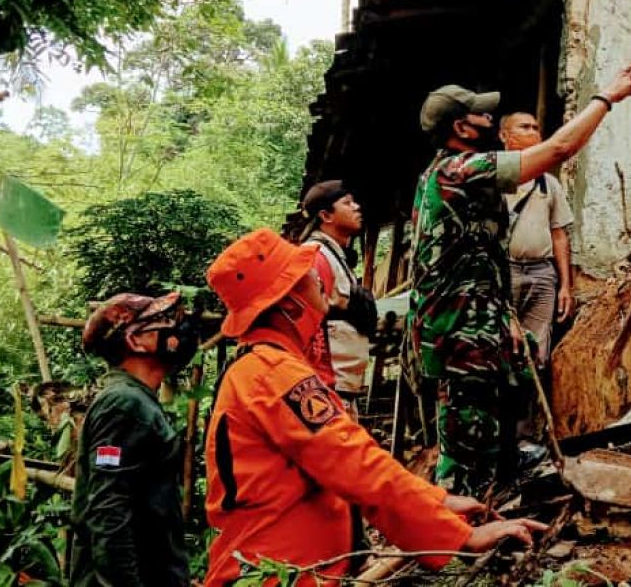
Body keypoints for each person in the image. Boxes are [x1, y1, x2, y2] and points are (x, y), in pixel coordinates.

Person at [203, 229, 544, 586]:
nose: (319, 277)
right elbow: (355, 466)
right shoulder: (274, 374)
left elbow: (354, 458)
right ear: (288, 302)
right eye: (305, 273)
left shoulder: (268, 367)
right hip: (276, 575)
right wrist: (461, 537)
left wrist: (437, 500)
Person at [409, 62, 631, 499]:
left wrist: (505, 317)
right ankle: (460, 532)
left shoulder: (442, 176)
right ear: (460, 127)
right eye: (480, 115)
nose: (489, 120)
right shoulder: (459, 171)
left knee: (485, 426)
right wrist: (607, 97)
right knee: (466, 440)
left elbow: (480, 256)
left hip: (474, 323)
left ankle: (486, 505)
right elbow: (558, 150)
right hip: (459, 333)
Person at [69, 291, 200, 587]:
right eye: (162, 320)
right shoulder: (123, 405)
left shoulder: (136, 400)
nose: (174, 328)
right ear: (135, 340)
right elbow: (108, 513)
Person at [498, 112, 575, 368]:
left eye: (536, 127)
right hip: (503, 271)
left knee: (538, 349)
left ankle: (531, 402)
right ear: (504, 136)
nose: (533, 132)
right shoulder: (493, 181)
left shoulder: (548, 184)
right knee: (500, 343)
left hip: (542, 272)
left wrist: (565, 285)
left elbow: (559, 235)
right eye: (524, 127)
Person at [299, 179, 378, 413]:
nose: (356, 207)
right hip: (325, 391)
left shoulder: (336, 256)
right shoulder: (316, 256)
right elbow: (307, 324)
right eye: (347, 203)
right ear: (326, 216)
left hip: (342, 390)